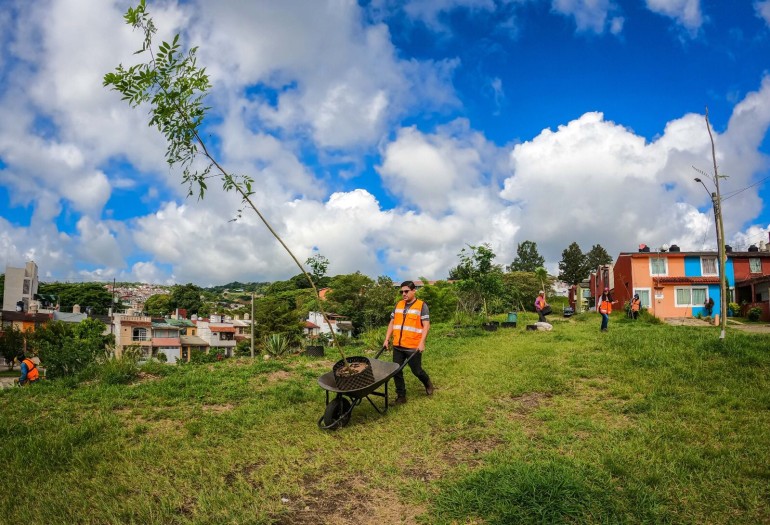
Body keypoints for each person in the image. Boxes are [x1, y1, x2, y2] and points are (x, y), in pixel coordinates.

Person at [383, 280, 434, 405]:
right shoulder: (398, 305)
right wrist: (387, 339)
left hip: (412, 346)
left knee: (417, 371)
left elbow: (426, 325)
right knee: (396, 371)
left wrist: (422, 342)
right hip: (398, 345)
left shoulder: (421, 306)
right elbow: (392, 323)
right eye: (402, 292)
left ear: (414, 291)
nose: (404, 294)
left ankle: (427, 383)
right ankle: (401, 396)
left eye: (406, 291)